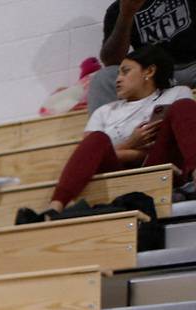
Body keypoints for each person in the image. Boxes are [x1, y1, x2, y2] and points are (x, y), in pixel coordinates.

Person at [37, 45, 196, 215]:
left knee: (183, 107)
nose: (118, 79)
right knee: (97, 138)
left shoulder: (177, 93)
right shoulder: (104, 111)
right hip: (120, 175)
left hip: (162, 164)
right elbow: (90, 155)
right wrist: (132, 143)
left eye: (125, 72)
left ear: (149, 71)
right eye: (118, 73)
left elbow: (180, 142)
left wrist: (128, 151)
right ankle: (54, 209)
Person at [90, 1, 196, 113]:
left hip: (192, 66)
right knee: (104, 77)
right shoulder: (117, 10)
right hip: (151, 76)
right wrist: (126, 15)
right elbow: (112, 61)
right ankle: (102, 129)